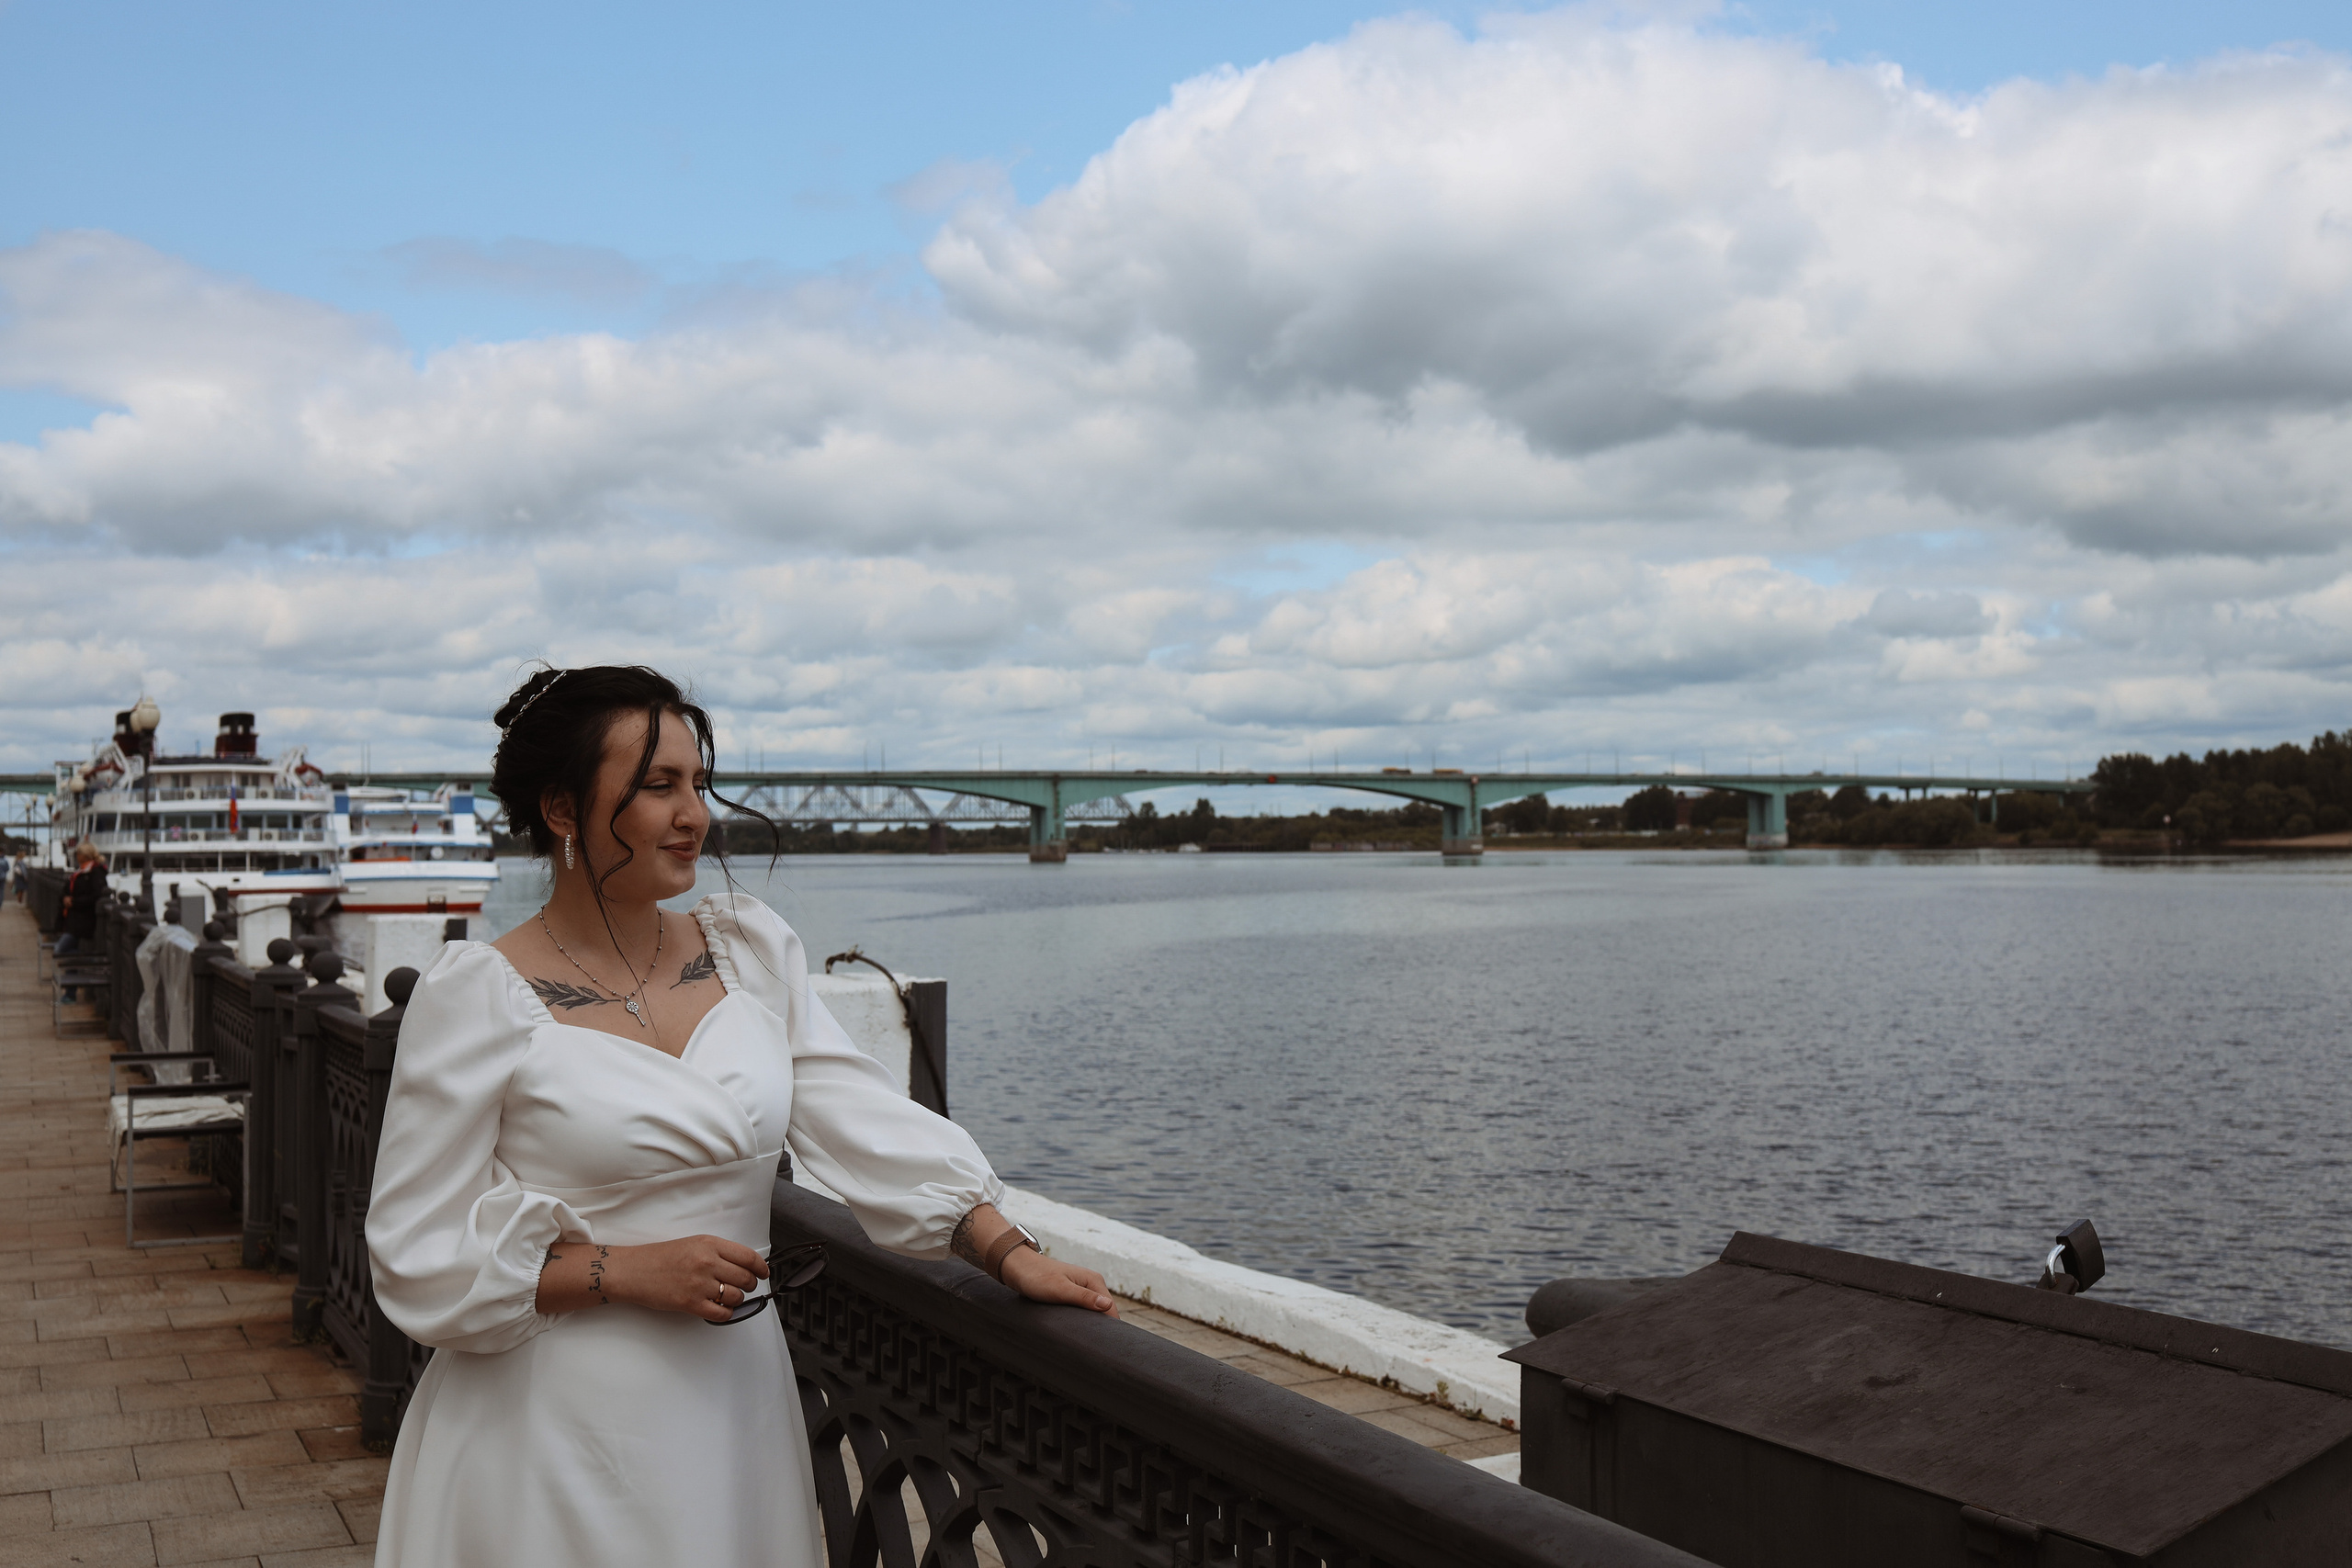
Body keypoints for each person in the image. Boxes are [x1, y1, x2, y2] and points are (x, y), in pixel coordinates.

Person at [365, 666, 1116, 1567]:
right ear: (562, 810)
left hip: (729, 1408)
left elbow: (856, 1111)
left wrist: (1006, 1248)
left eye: (696, 782)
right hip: (546, 1429)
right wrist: (622, 1271)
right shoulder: (476, 996)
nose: (696, 815)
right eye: (657, 786)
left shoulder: (750, 952)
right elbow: (415, 1244)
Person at [53, 844, 107, 1000]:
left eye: (79, 853)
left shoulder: (95, 872)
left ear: (86, 855)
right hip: (73, 920)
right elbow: (66, 890)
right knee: (70, 955)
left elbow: (97, 895)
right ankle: (70, 994)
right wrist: (65, 898)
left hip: (84, 920)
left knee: (60, 949)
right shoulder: (80, 871)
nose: (77, 856)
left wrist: (74, 902)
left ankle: (89, 961)